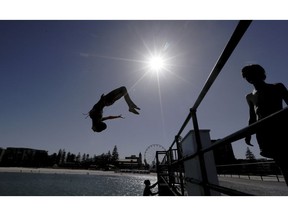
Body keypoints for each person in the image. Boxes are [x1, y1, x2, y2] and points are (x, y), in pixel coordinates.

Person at [241, 64, 288, 185]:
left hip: (281, 130)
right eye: (248, 76)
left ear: (261, 75)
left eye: (253, 75)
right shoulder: (250, 96)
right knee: (281, 163)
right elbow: (252, 117)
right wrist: (248, 133)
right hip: (264, 134)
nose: (251, 78)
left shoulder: (277, 87)